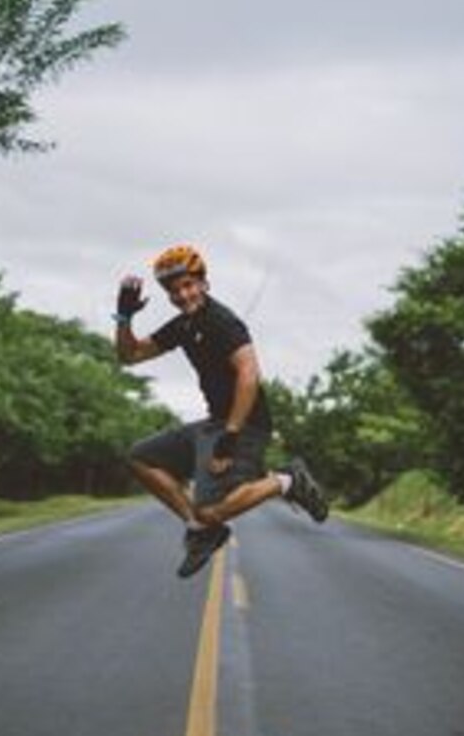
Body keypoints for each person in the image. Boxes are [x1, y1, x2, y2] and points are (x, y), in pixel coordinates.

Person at [114, 244, 328, 578]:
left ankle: (286, 482)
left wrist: (230, 437)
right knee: (141, 457)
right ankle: (200, 531)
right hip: (215, 422)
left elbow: (248, 374)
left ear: (203, 283)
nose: (182, 295)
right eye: (174, 290)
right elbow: (130, 356)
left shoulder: (221, 321)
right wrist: (124, 318)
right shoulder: (183, 326)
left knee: (213, 510)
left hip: (245, 425)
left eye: (188, 285)